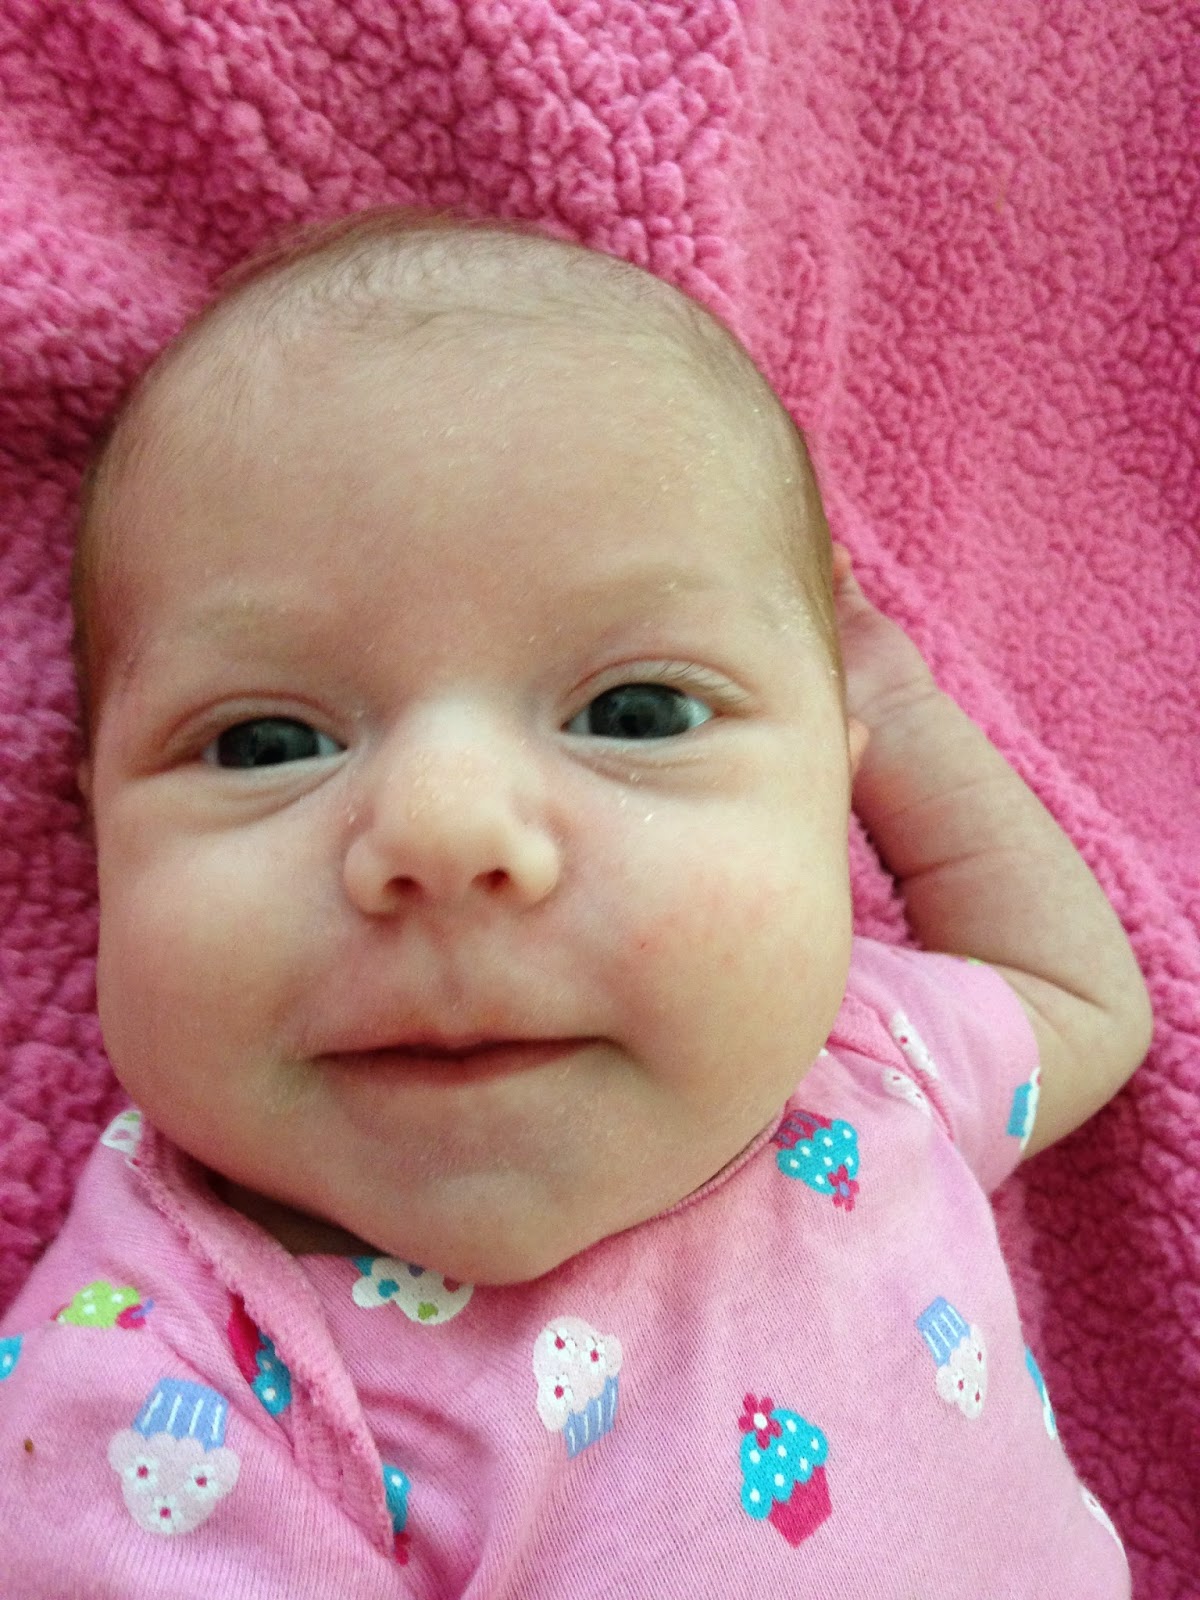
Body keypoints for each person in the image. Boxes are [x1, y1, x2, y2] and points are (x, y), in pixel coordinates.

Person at [0, 210, 1149, 1596]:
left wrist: (897, 707)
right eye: (265, 743)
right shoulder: (157, 1391)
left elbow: (1087, 1000)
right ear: (99, 830)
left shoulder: (864, 1069)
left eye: (636, 712)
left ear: (829, 791)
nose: (444, 832)